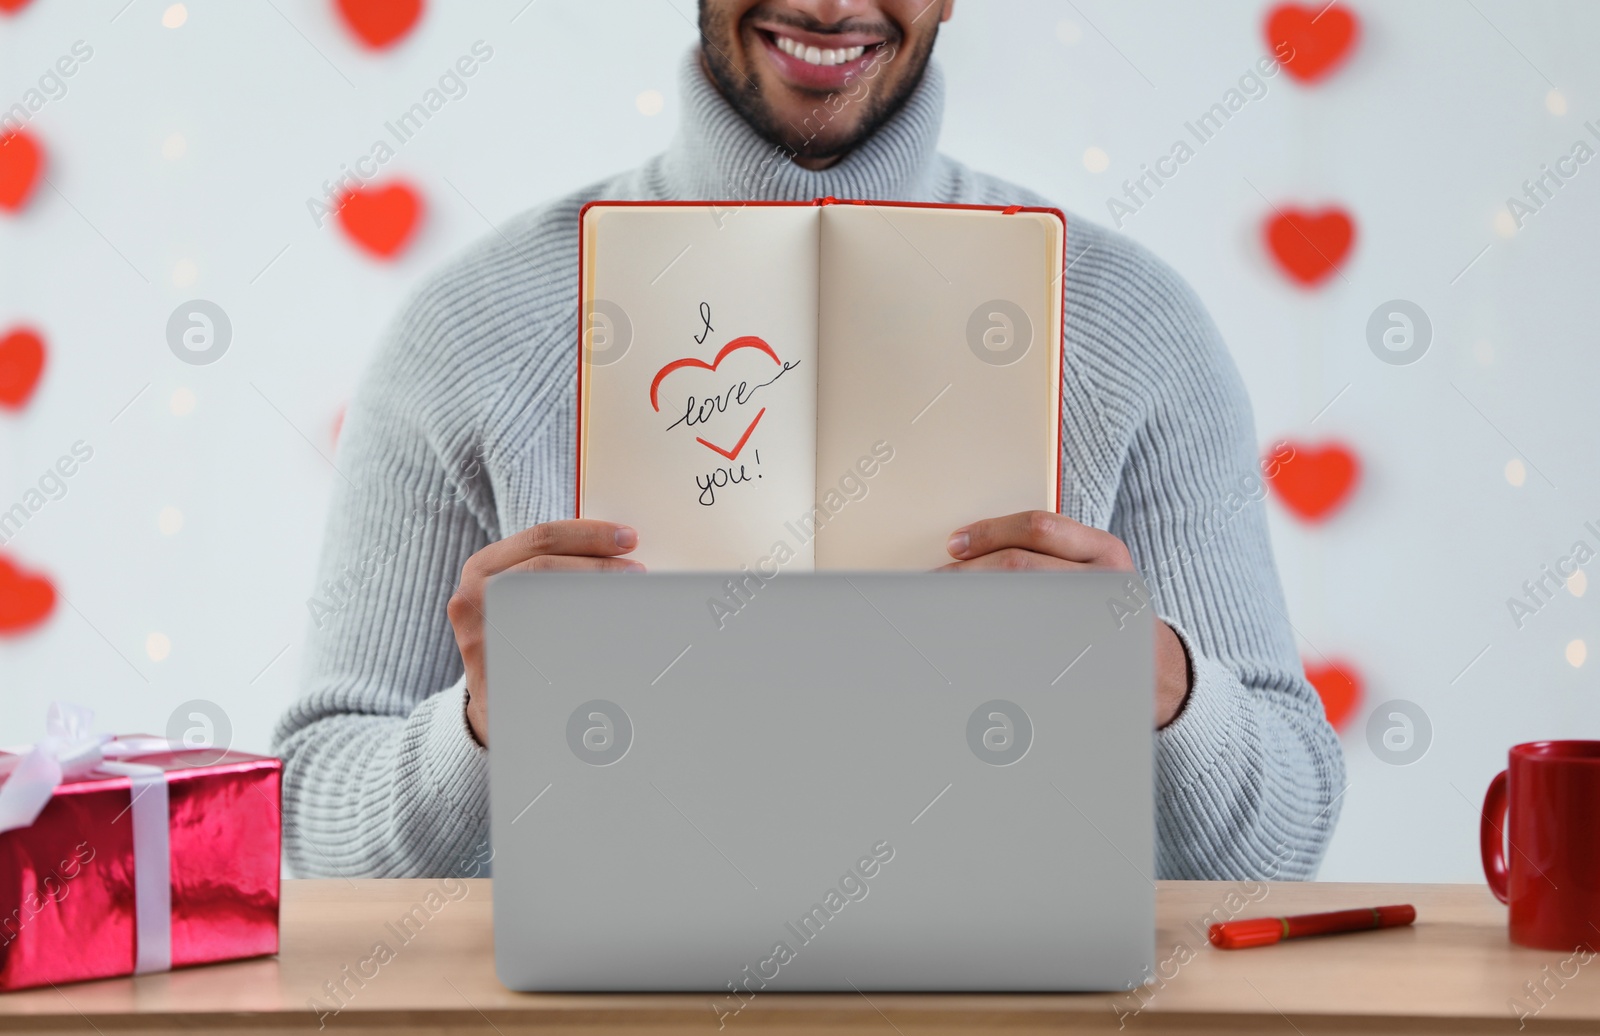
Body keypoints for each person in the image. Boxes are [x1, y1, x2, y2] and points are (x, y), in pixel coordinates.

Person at [275, 0, 1344, 880]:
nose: (830, 7)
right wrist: (478, 729)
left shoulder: (1131, 319)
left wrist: (1158, 684)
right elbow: (306, 827)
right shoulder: (468, 327)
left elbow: (1285, 836)